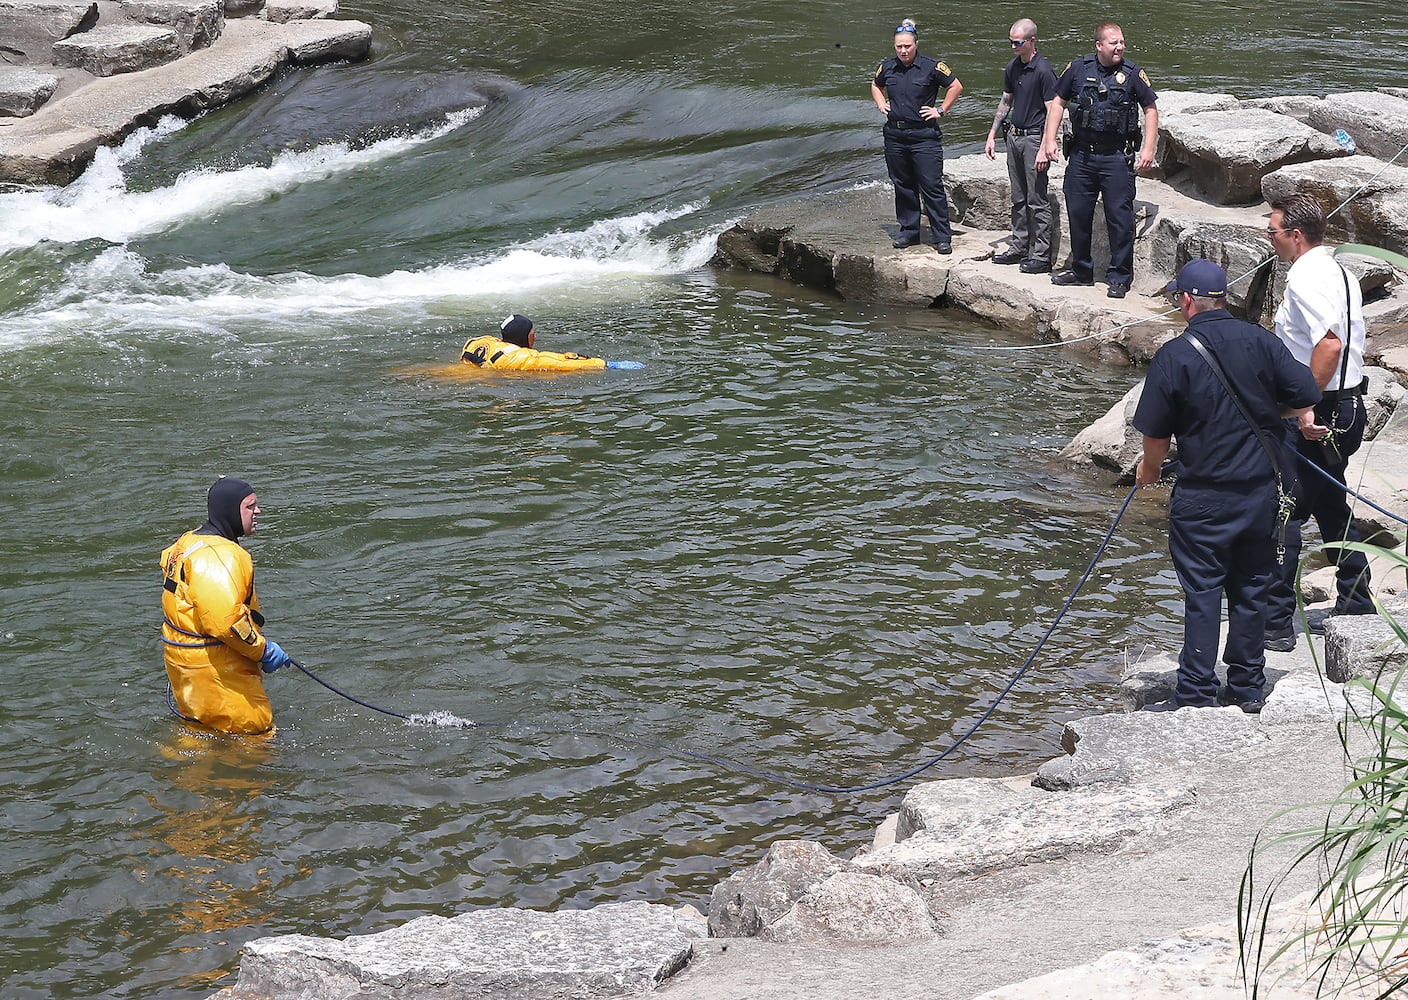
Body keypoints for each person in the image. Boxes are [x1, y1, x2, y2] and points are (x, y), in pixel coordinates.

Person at [1133, 260, 1321, 711]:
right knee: (1252, 586)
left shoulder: (1175, 355)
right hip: (1260, 493)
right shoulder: (1263, 341)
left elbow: (1156, 435)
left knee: (1201, 592)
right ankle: (1246, 687)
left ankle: (1196, 694)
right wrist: (1264, 414)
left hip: (1202, 497)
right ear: (1222, 298)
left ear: (1185, 300)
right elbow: (1305, 395)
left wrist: (1150, 470)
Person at [1263, 193, 1375, 650]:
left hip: (1319, 408)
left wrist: (1304, 404)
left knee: (1283, 508)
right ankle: (1355, 597)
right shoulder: (1339, 271)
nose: (1268, 239)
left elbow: (1328, 346)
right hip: (1346, 406)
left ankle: (1274, 624)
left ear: (1295, 234)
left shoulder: (1306, 278)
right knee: (1329, 502)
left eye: (1272, 232)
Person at [160, 477, 293, 734]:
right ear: (230, 510)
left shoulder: (187, 543)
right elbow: (226, 622)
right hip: (217, 672)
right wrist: (262, 650)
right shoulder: (222, 558)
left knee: (201, 732)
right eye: (250, 506)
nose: (258, 512)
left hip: (186, 666)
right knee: (253, 735)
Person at [1038, 20, 1158, 298]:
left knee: (1120, 218)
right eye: (1114, 42)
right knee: (1078, 214)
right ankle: (1081, 271)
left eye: (1122, 42)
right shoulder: (1078, 69)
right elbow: (1058, 101)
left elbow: (1150, 109)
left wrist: (1148, 148)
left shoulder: (1132, 74)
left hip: (1116, 157)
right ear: (1099, 45)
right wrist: (1049, 139)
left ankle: (1119, 277)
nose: (1120, 47)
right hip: (1081, 155)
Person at [870, 18, 962, 253]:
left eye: (907, 46)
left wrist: (940, 110)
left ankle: (942, 237)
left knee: (931, 186)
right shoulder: (888, 66)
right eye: (899, 46)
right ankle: (909, 232)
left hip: (924, 136)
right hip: (895, 135)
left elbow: (956, 86)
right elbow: (875, 84)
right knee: (903, 185)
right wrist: (881, 103)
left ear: (916, 44)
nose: (903, 50)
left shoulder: (932, 66)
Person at [984, 18, 1058, 274]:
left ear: (1032, 41)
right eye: (1011, 42)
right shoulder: (1012, 68)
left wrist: (1045, 146)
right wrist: (992, 134)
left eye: (1018, 42)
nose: (1014, 46)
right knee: (1018, 197)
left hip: (1034, 138)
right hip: (1014, 137)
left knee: (1036, 198)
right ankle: (1019, 246)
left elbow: (1053, 111)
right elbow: (1006, 102)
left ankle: (1040, 255)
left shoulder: (1044, 71)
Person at [460, 314, 611, 372]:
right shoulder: (518, 357)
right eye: (532, 334)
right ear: (523, 336)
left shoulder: (479, 342)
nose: (535, 337)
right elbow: (558, 362)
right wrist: (602, 364)